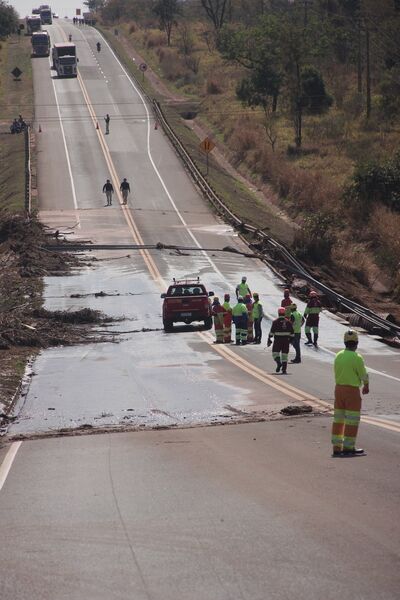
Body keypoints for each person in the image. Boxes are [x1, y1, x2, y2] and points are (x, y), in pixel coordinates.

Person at [332, 330, 369, 457]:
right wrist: (366, 385)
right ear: (357, 343)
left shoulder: (338, 355)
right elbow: (363, 374)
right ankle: (348, 447)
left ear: (344, 342)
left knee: (338, 419)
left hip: (338, 389)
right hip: (352, 391)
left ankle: (337, 447)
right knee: (352, 420)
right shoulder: (357, 357)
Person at [267, 307, 294, 374]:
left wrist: (269, 338)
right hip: (286, 341)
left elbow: (271, 332)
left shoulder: (275, 322)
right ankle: (284, 370)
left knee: (275, 353)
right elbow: (292, 333)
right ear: (284, 313)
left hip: (277, 341)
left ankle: (279, 363)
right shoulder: (289, 322)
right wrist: (291, 340)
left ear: (278, 313)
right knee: (285, 356)